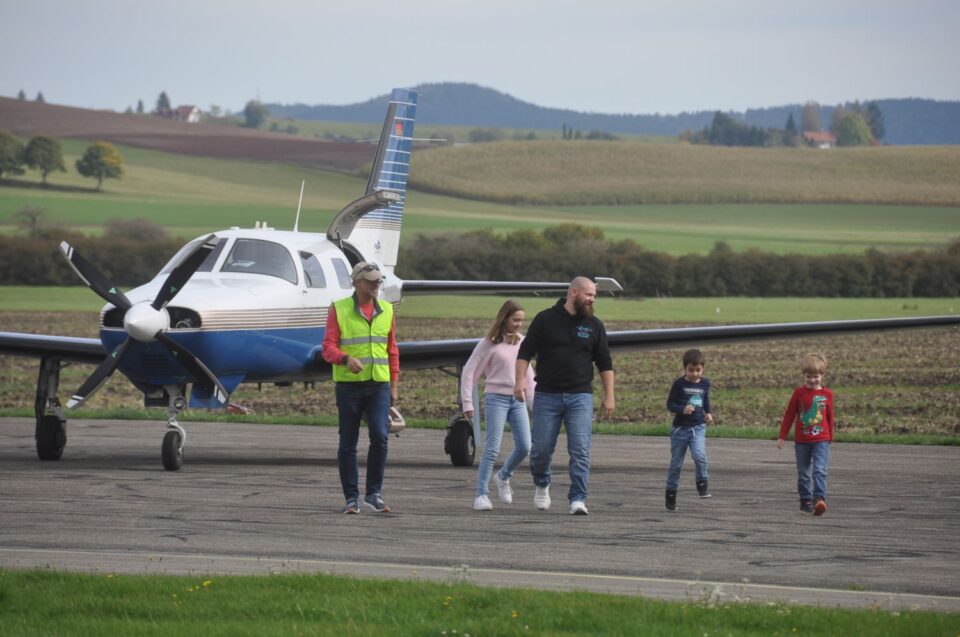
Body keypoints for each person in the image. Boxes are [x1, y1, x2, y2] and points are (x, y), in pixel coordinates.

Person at [515, 277, 615, 516]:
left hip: (580, 396)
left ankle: (578, 498)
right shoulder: (544, 320)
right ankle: (541, 483)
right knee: (540, 450)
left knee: (580, 449)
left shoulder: (594, 325)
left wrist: (609, 395)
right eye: (589, 295)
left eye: (594, 296)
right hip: (547, 395)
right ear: (573, 293)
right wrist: (519, 382)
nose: (592, 300)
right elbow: (524, 352)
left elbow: (605, 362)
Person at [322, 261, 399, 514]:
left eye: (378, 280)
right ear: (356, 282)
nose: (377, 284)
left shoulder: (387, 310)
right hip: (349, 387)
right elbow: (328, 347)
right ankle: (351, 498)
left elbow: (392, 350)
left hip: (379, 384)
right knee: (348, 443)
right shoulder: (340, 309)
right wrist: (345, 359)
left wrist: (394, 384)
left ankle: (374, 494)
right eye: (371, 280)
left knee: (380, 435)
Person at [461, 300, 536, 511]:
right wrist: (468, 401)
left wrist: (534, 404)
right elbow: (469, 372)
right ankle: (481, 494)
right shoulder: (489, 344)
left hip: (517, 400)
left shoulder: (522, 342)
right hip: (496, 399)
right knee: (492, 448)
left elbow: (529, 376)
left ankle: (503, 476)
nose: (519, 324)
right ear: (504, 318)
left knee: (525, 446)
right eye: (515, 320)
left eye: (522, 320)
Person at [777, 353, 834, 516]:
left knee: (820, 470)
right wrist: (782, 436)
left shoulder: (827, 394)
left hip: (821, 440)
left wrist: (831, 435)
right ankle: (805, 500)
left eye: (816, 376)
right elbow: (789, 415)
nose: (812, 380)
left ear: (822, 375)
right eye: (808, 376)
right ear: (804, 376)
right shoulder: (798, 393)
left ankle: (819, 499)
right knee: (803, 473)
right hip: (802, 441)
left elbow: (830, 415)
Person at [664, 348, 715, 512]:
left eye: (698, 370)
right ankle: (671, 494)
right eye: (691, 370)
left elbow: (705, 399)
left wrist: (709, 413)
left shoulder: (705, 383)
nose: (695, 374)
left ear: (703, 369)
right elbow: (670, 404)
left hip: (698, 427)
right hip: (680, 429)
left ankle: (702, 482)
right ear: (685, 369)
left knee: (700, 456)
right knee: (676, 464)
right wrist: (681, 409)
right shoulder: (679, 384)